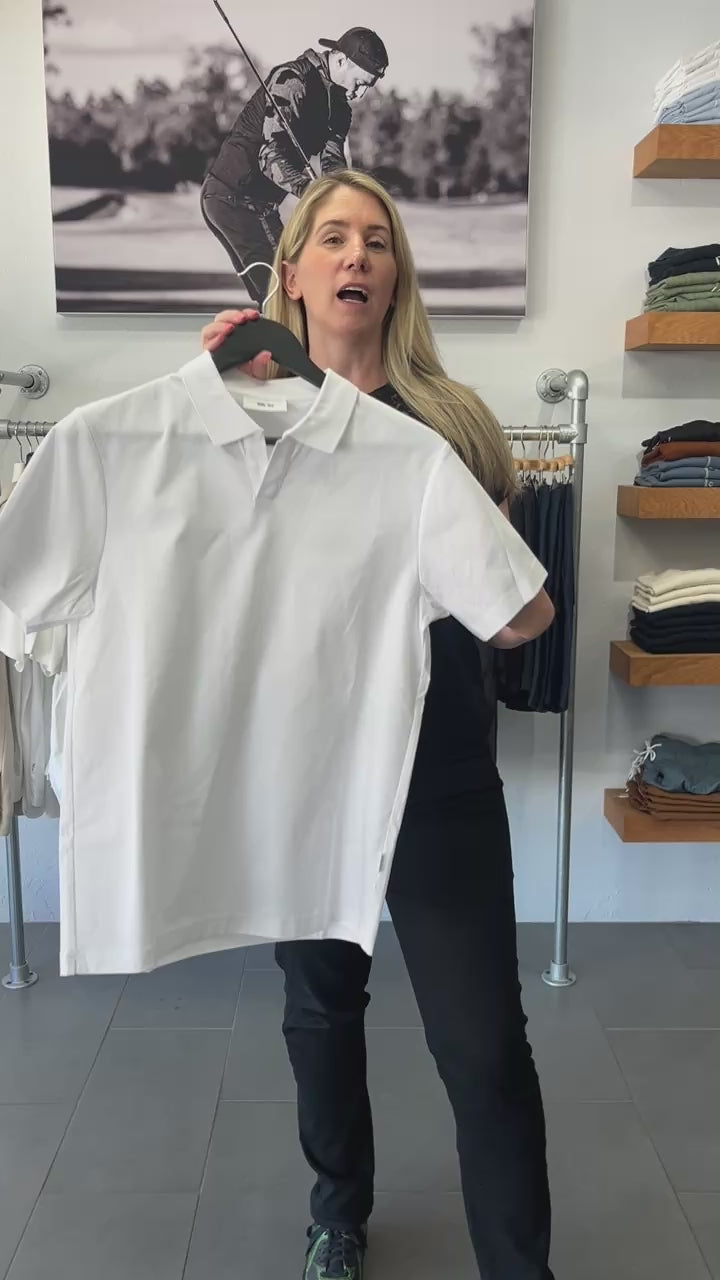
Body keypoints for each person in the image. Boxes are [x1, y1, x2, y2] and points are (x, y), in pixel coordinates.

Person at [200, 168, 557, 1280]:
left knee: (485, 1044)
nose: (357, 254)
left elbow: (509, 607)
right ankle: (337, 1212)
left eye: (378, 240)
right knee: (319, 1012)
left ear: (395, 277)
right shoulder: (243, 409)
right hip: (304, 771)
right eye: (334, 237)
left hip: (437, 772)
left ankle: (521, 1267)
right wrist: (219, 390)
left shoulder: (453, 424)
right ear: (292, 270)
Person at [201, 28, 388, 305]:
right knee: (290, 295)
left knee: (292, 292)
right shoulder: (292, 80)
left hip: (260, 207)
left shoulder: (340, 108)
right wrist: (311, 192)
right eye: (359, 83)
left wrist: (342, 199)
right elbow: (269, 157)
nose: (359, 94)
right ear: (341, 61)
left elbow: (332, 164)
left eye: (366, 87)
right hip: (234, 200)